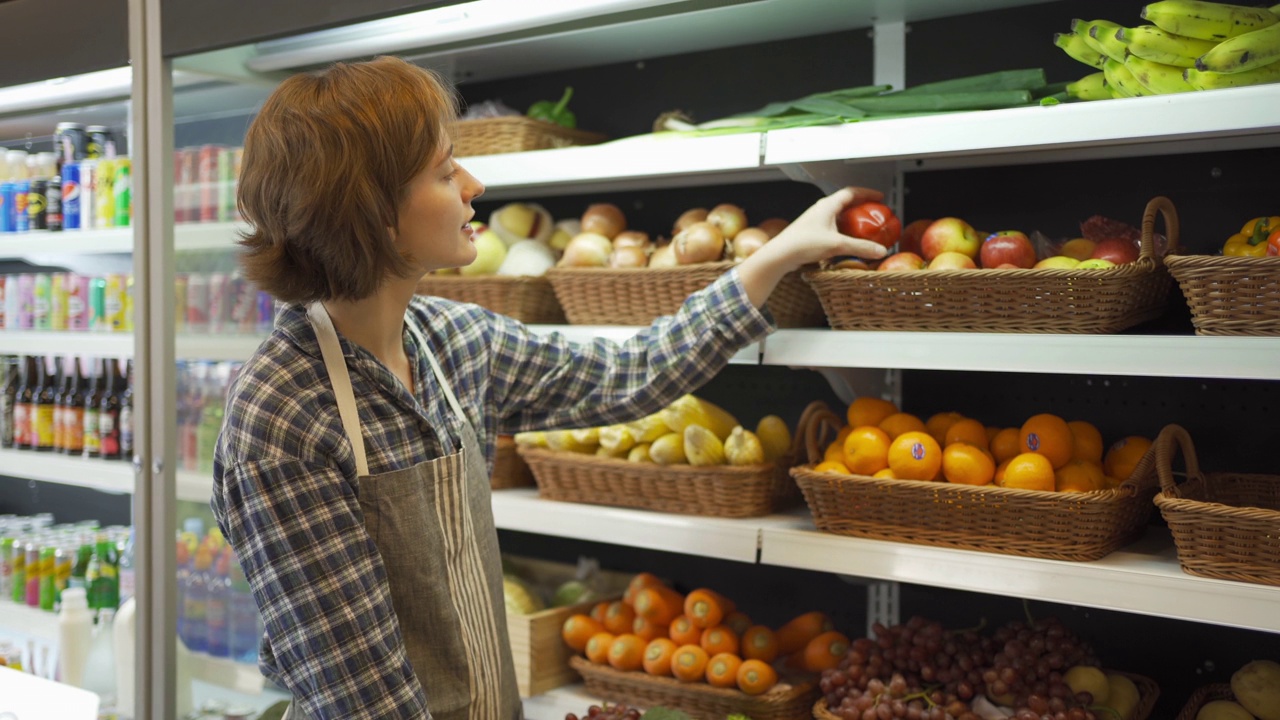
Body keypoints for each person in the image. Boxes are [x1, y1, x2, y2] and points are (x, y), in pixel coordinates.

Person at [211, 55, 886, 720]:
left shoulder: (452, 341)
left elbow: (629, 376)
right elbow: (363, 700)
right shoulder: (283, 420)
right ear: (375, 213)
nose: (473, 184)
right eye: (446, 172)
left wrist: (775, 255)